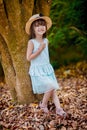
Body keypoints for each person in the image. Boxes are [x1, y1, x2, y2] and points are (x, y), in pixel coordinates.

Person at [25, 13, 66, 117]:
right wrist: (39, 50)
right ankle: (43, 105)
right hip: (37, 69)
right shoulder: (32, 42)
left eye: (42, 25)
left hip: (47, 68)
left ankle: (59, 109)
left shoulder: (46, 40)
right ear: (32, 29)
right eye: (37, 25)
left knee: (53, 90)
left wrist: (43, 48)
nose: (40, 27)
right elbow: (28, 57)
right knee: (51, 86)